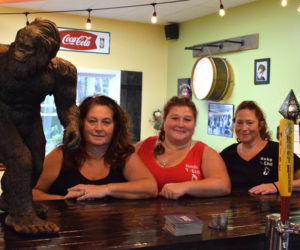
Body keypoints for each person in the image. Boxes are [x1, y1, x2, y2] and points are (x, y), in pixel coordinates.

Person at [0, 17, 80, 235]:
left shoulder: (61, 72)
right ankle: (21, 215)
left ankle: (12, 201)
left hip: (29, 117)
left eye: (27, 48)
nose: (18, 51)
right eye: (19, 43)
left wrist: (72, 124)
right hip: (1, 114)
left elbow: (67, 106)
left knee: (36, 162)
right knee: (20, 160)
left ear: (46, 53)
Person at [33, 95, 158, 201]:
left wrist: (104, 189)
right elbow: (32, 192)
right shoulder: (60, 155)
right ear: (81, 124)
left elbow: (151, 188)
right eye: (92, 121)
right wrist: (64, 201)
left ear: (116, 127)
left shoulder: (124, 155)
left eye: (106, 122)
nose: (99, 128)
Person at [136, 96, 231, 199]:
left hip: (187, 214)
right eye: (175, 118)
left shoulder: (204, 152)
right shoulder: (143, 146)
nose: (181, 124)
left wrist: (185, 186)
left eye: (187, 120)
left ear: (194, 124)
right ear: (164, 121)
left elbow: (223, 186)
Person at [220, 100, 300, 195]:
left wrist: (276, 186)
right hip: (234, 208)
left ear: (260, 125)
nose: (244, 128)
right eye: (239, 122)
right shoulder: (227, 154)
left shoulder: (278, 151)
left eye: (250, 123)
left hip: (272, 209)